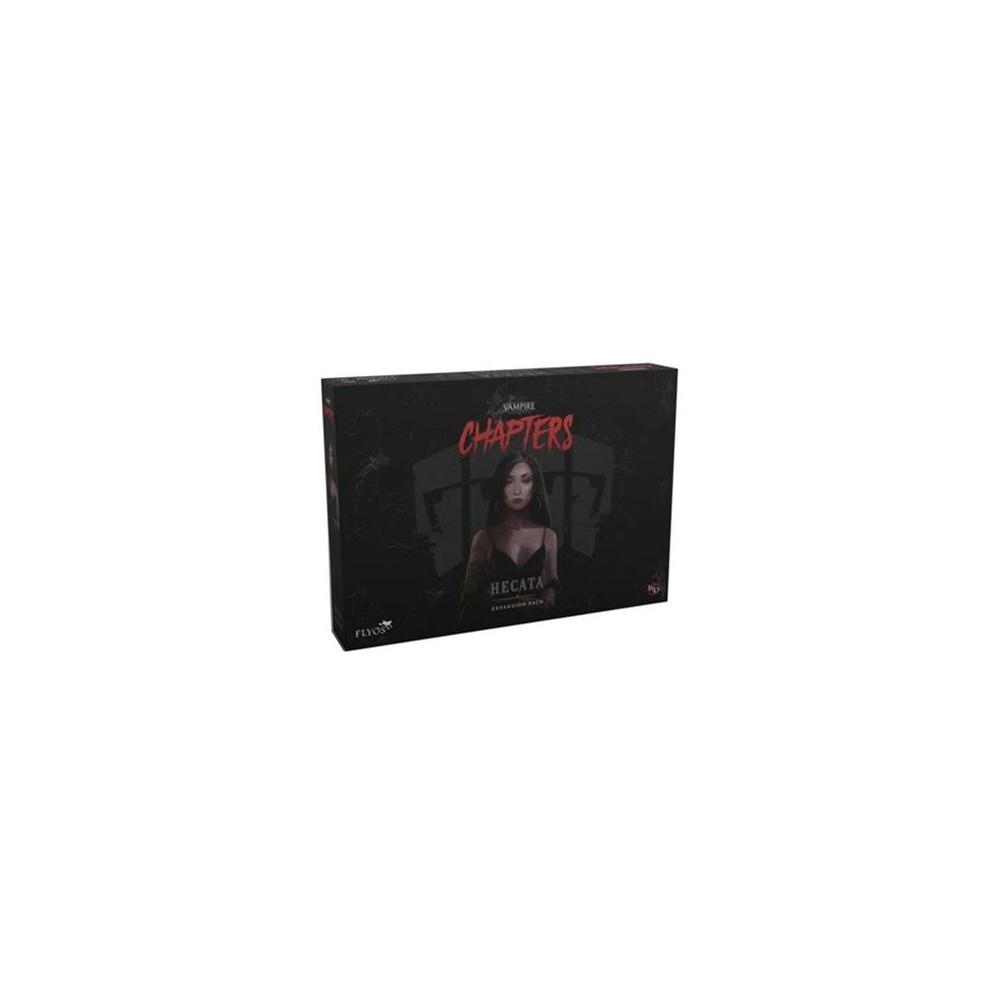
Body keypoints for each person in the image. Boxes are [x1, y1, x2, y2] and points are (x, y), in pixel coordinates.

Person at [459, 451, 560, 626]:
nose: (517, 490)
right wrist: (516, 603)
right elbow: (468, 600)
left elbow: (553, 584)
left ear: (535, 486)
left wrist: (550, 593)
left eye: (526, 480)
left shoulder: (548, 536)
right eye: (508, 481)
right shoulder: (484, 538)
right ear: (500, 486)